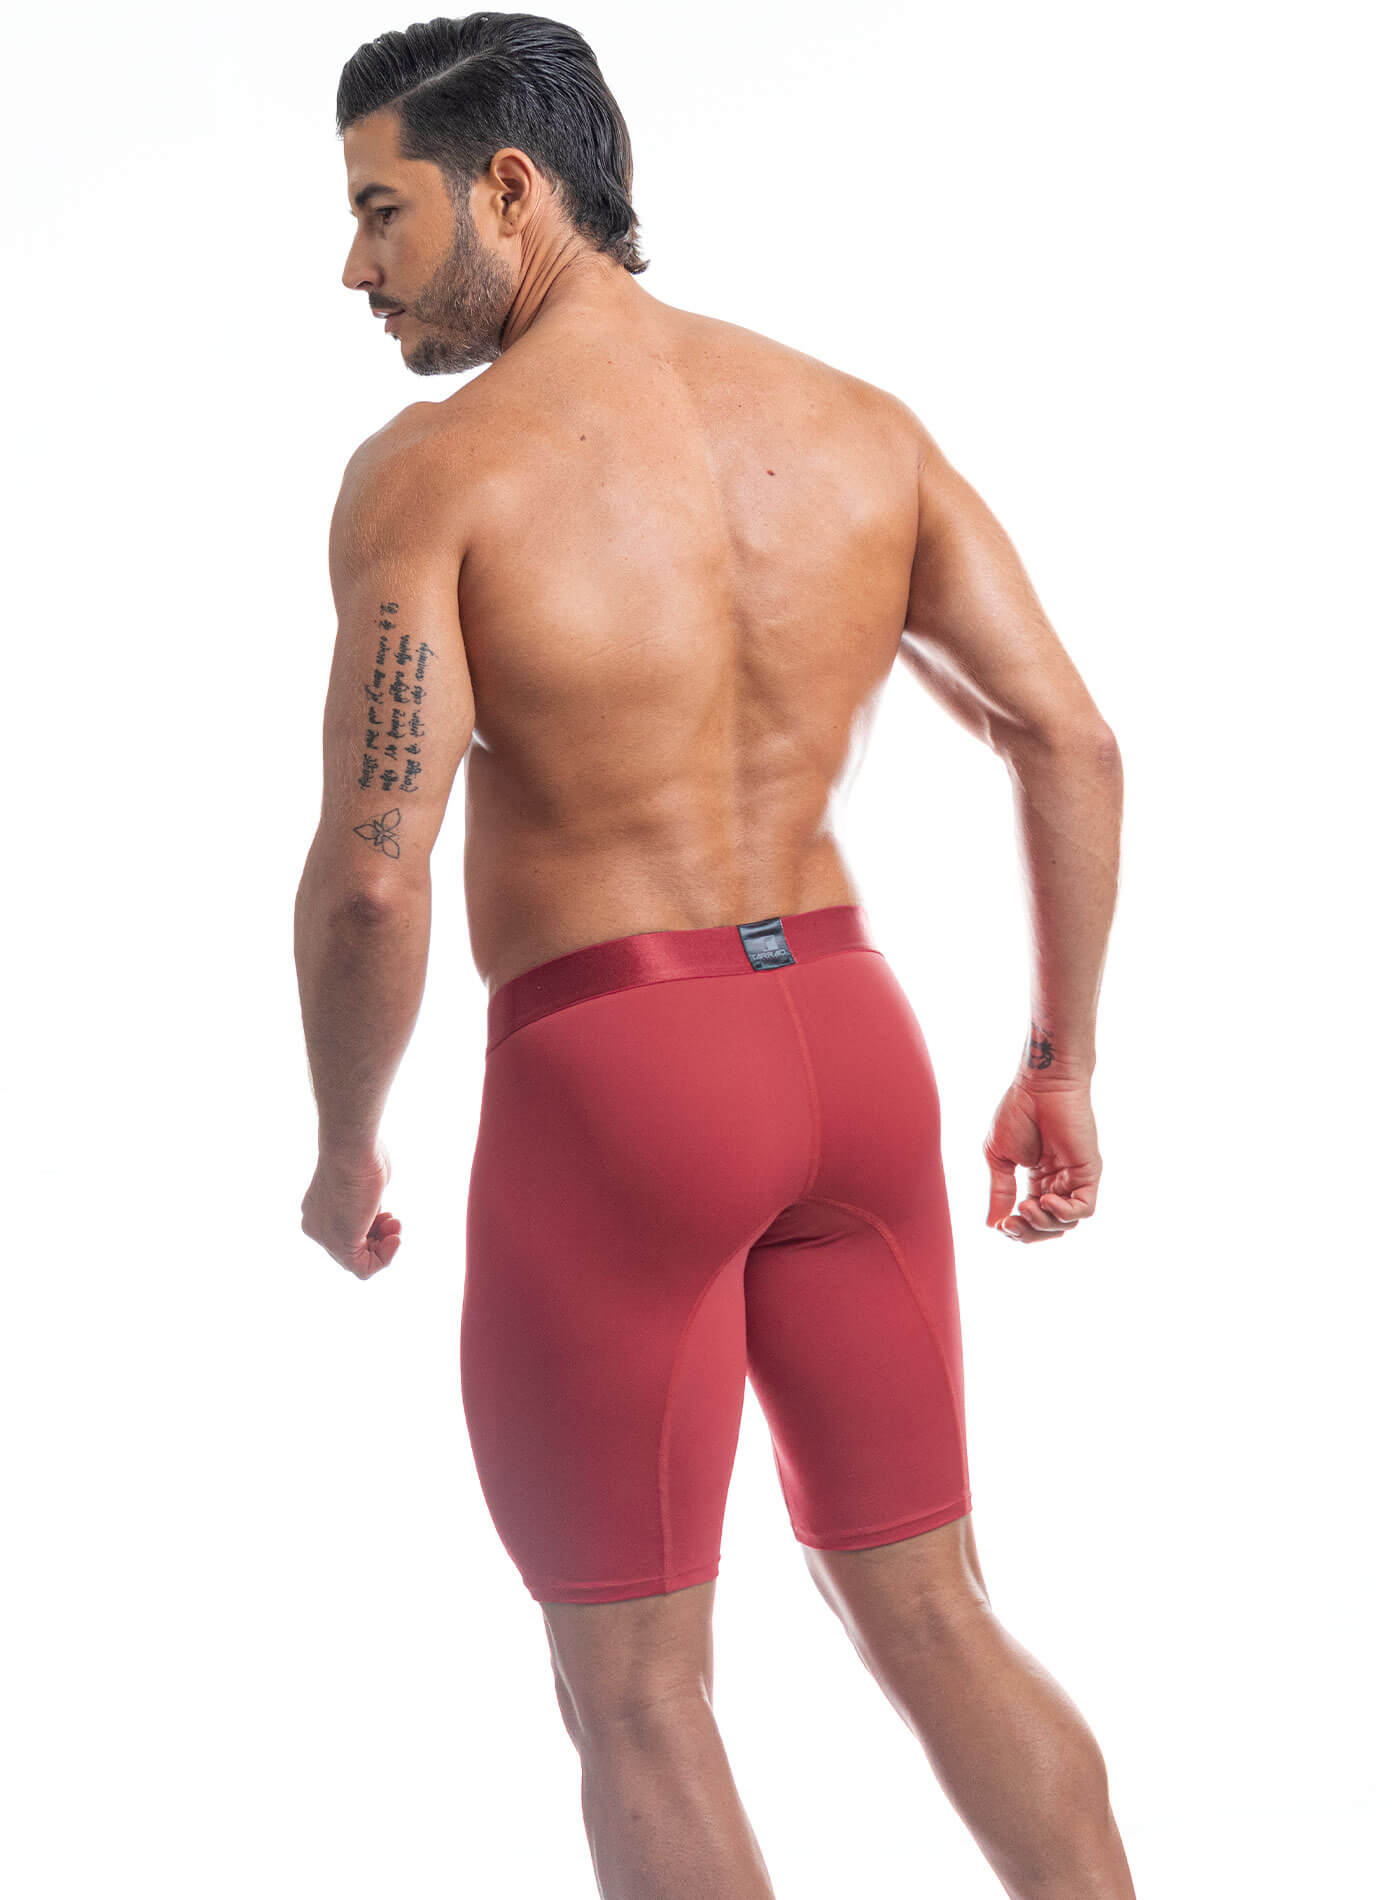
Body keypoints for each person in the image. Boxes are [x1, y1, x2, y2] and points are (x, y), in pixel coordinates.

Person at [294, 13, 1132, 1898]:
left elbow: (371, 880)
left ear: (511, 189)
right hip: (851, 1040)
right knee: (934, 1608)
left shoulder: (438, 472)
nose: (354, 267)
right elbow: (1069, 738)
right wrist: (1059, 1061)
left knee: (638, 1698)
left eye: (380, 209)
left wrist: (347, 1145)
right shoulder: (854, 426)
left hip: (625, 1074)